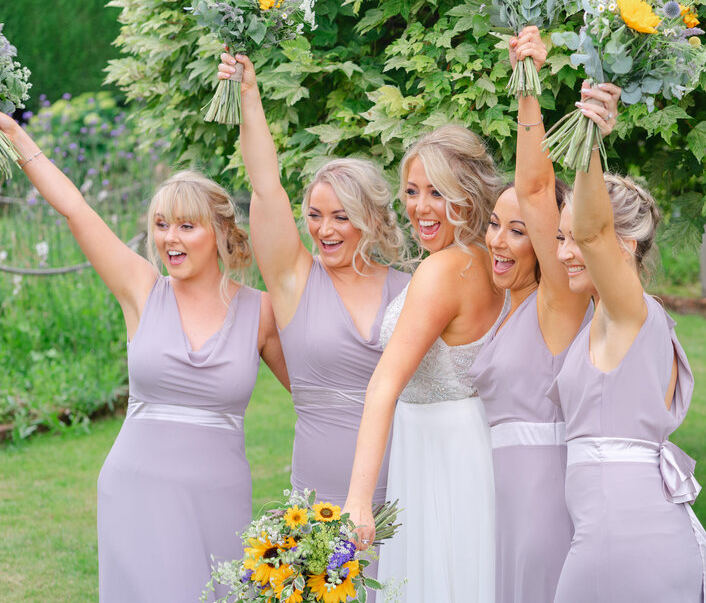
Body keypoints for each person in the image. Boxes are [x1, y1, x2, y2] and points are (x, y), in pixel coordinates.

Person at [0, 112, 290, 603]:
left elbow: (315, 393)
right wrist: (12, 133)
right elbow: (77, 209)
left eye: (185, 226)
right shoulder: (141, 290)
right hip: (135, 491)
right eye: (160, 225)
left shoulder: (261, 312)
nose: (169, 238)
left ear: (219, 232)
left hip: (219, 499)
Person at [546, 84, 706, 603]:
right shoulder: (602, 317)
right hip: (605, 536)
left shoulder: (632, 313)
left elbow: (595, 236)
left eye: (574, 237)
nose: (565, 252)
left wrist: (591, 139)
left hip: (630, 539)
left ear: (625, 245)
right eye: (559, 238)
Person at [217, 53, 410, 510]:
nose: (325, 230)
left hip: (404, 490)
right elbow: (266, 188)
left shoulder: (409, 290)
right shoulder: (295, 281)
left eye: (342, 217)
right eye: (315, 216)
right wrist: (249, 96)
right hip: (316, 499)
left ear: (372, 221)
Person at [342, 124, 506, 603]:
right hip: (464, 441)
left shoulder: (442, 270)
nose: (419, 207)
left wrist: (358, 500)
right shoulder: (489, 261)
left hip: (440, 455)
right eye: (412, 192)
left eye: (438, 193)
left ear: (469, 196)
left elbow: (383, 386)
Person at [469, 26, 594, 603]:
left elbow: (538, 187)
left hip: (548, 504)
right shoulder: (504, 308)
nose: (498, 239)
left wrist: (528, 84)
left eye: (519, 231)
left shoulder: (559, 303)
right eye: (494, 223)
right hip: (504, 506)